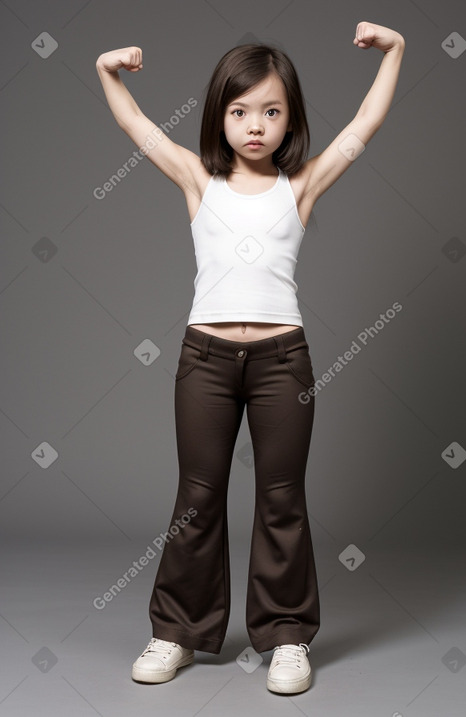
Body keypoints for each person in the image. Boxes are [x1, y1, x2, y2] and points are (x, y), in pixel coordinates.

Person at [95, 22, 405, 694]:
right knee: (197, 501)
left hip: (281, 364)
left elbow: (368, 120)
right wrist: (106, 68)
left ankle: (288, 635)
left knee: (282, 500)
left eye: (271, 111)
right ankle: (176, 631)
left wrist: (397, 50)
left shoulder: (302, 185)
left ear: (289, 119)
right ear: (219, 116)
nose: (255, 125)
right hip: (204, 361)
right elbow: (136, 126)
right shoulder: (195, 178)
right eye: (240, 111)